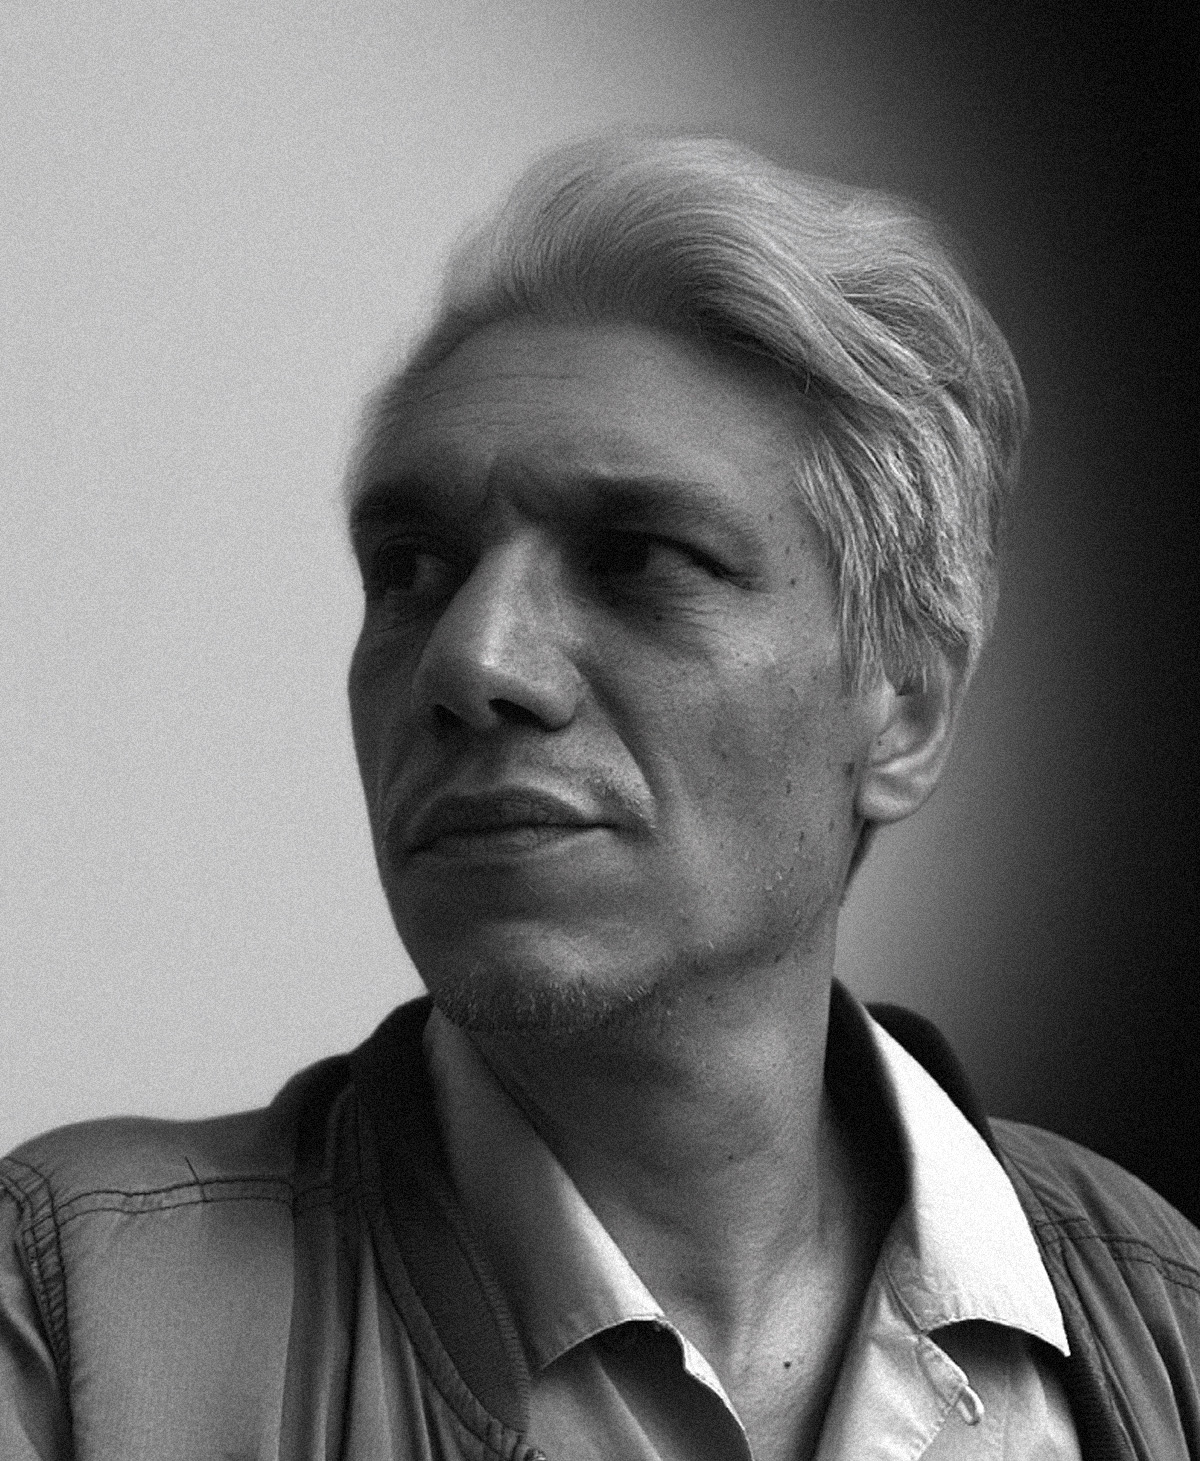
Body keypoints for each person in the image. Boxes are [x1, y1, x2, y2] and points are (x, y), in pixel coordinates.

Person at [2, 134, 1197, 1461]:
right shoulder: (73, 1317)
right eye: (411, 568)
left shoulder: (1166, 1322)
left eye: (639, 558)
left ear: (905, 704)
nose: (470, 659)